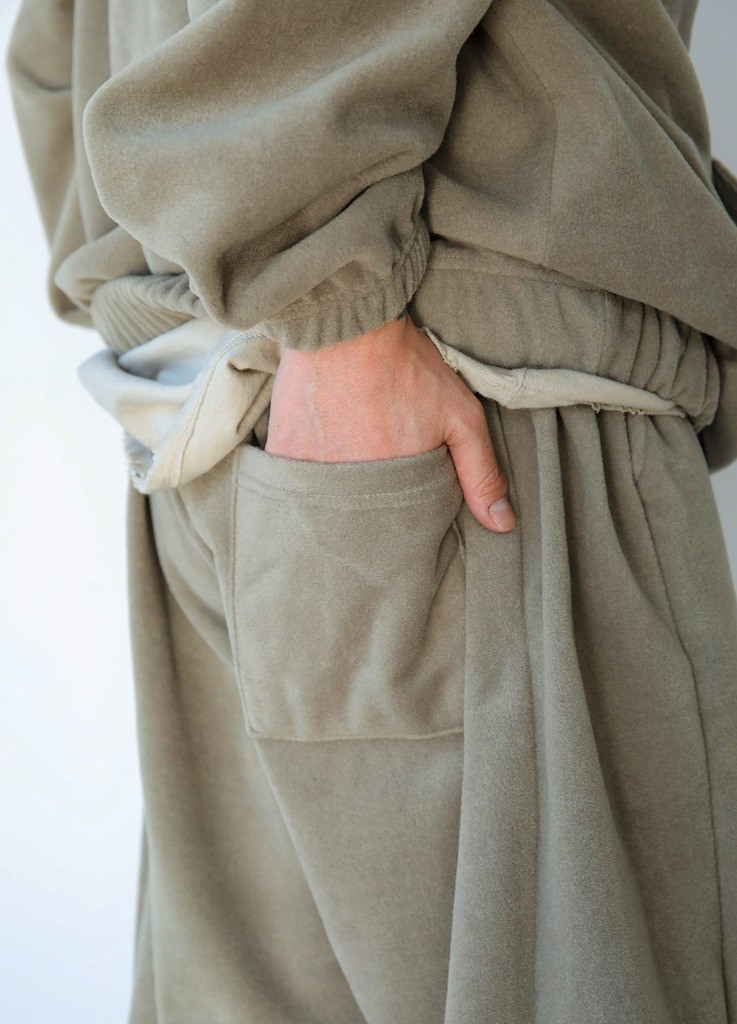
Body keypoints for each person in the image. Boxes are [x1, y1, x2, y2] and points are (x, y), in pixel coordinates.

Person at [6, 0, 737, 1020]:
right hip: (447, 376)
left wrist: (230, 261)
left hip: (211, 396)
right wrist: (331, 308)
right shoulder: (347, 304)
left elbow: (51, 54)